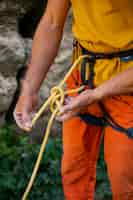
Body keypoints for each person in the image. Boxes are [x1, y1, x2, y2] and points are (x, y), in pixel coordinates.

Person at [14, 0, 133, 199]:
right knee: (74, 172)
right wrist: (29, 89)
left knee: (125, 182)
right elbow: (52, 21)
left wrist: (97, 94)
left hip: (126, 83)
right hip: (84, 74)